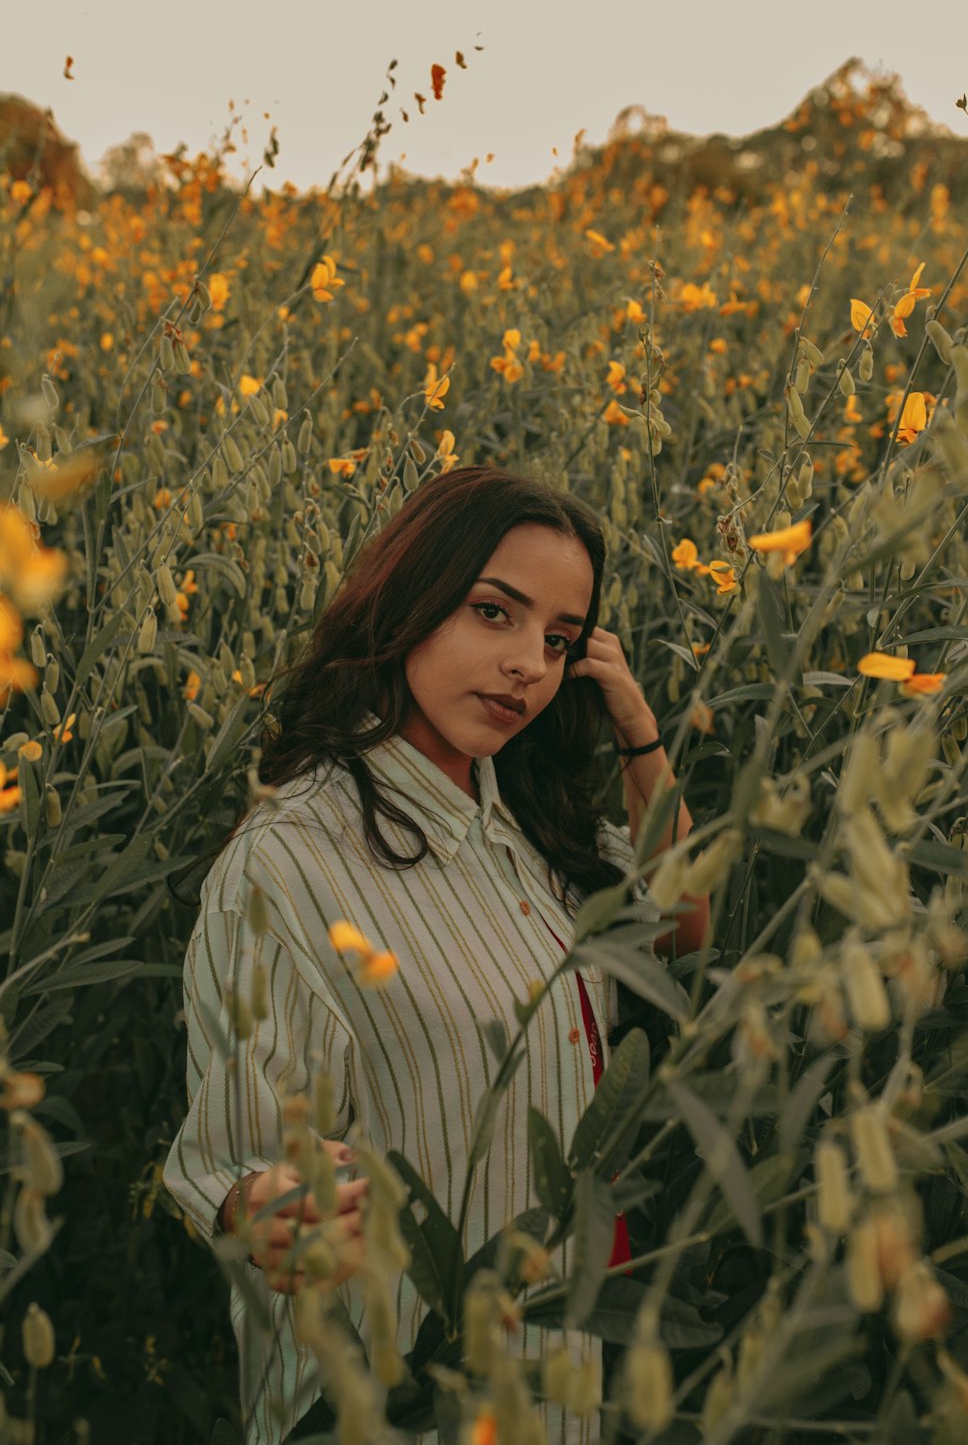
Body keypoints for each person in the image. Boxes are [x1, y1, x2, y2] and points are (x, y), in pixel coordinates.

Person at [163, 465, 709, 1445]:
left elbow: (683, 926)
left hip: (554, 1368)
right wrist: (273, 1209)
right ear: (410, 597)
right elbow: (232, 1164)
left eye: (559, 642)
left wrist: (635, 727)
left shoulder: (529, 820)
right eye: (492, 613)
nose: (527, 668)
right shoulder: (291, 861)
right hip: (401, 1394)